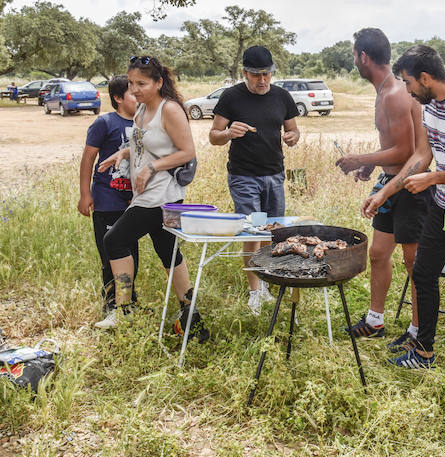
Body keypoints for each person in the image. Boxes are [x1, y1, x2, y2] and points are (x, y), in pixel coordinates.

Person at [363, 45, 445, 371]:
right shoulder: (429, 107)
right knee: (423, 274)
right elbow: (421, 156)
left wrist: (433, 178)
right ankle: (423, 351)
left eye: (408, 82)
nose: (406, 89)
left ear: (425, 78)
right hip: (442, 207)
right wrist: (385, 193)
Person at [97, 56, 207, 342]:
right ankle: (191, 315)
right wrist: (122, 154)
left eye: (141, 84)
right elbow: (141, 144)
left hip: (163, 196)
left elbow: (187, 152)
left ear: (159, 82)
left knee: (114, 240)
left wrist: (151, 167)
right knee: (167, 249)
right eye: (131, 83)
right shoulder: (142, 109)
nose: (134, 89)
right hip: (147, 193)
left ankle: (124, 309)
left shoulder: (169, 110)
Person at [335, 28, 427, 350]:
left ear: (363, 57)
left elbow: (407, 151)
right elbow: (392, 146)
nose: (354, 62)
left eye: (354, 56)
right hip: (390, 181)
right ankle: (375, 321)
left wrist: (360, 156)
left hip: (412, 184)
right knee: (377, 254)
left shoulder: (395, 94)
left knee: (414, 261)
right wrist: (373, 163)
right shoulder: (383, 90)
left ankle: (418, 332)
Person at [209, 45, 300, 315]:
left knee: (272, 232)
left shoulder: (282, 97)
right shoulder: (231, 97)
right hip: (244, 177)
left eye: (266, 74)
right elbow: (213, 135)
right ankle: (255, 291)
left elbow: (293, 130)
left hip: (274, 175)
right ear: (244, 73)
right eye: (255, 75)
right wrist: (227, 133)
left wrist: (293, 137)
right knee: (254, 230)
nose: (262, 80)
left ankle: (267, 283)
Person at [77, 75, 140, 326]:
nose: (138, 97)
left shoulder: (142, 123)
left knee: (132, 255)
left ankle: (130, 303)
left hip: (133, 202)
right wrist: (85, 193)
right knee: (110, 256)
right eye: (132, 93)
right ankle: (113, 305)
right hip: (107, 200)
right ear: (118, 98)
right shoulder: (104, 123)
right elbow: (87, 159)